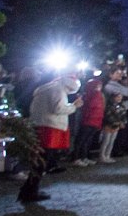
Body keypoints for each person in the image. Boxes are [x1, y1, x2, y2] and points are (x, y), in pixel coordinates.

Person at [20, 73, 83, 202]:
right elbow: (58, 108)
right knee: (42, 160)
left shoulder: (47, 88)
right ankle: (30, 191)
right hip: (49, 127)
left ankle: (29, 189)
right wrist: (74, 106)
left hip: (40, 124)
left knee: (40, 159)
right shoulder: (58, 90)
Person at [71, 74, 104, 166]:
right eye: (97, 86)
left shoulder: (94, 95)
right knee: (82, 139)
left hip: (94, 120)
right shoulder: (93, 95)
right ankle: (76, 158)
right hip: (88, 120)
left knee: (87, 140)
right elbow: (91, 106)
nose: (99, 88)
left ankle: (84, 157)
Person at [98, 91, 127, 163]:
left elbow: (124, 116)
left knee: (112, 141)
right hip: (109, 125)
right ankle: (102, 156)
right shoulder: (109, 106)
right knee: (106, 141)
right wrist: (115, 122)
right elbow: (108, 116)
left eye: (120, 97)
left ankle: (108, 155)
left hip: (117, 126)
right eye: (117, 97)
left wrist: (122, 122)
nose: (119, 98)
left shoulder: (122, 106)